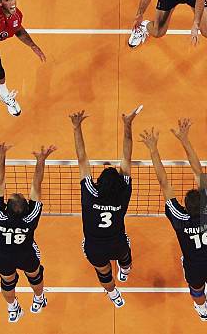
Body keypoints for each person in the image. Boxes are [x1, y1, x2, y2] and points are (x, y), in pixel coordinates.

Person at [140, 119, 207, 321]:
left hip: (194, 264)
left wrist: (153, 149)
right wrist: (185, 140)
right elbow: (198, 172)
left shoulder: (180, 218)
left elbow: (163, 182)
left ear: (186, 206)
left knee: (196, 289)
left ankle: (203, 309)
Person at [69, 107, 140, 307]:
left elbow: (82, 158)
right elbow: (127, 157)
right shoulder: (123, 193)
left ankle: (114, 294)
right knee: (125, 254)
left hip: (94, 247)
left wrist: (76, 127)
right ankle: (125, 270)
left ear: (99, 182)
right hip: (117, 244)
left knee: (103, 271)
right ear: (118, 182)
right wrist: (127, 125)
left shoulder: (91, 192)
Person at [0, 142, 56, 323]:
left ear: (6, 208)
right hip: (26, 255)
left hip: (3, 256)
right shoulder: (31, 217)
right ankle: (39, 299)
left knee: (7, 282)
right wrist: (41, 160)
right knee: (35, 276)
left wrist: (1, 155)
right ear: (26, 208)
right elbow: (36, 185)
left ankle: (12, 308)